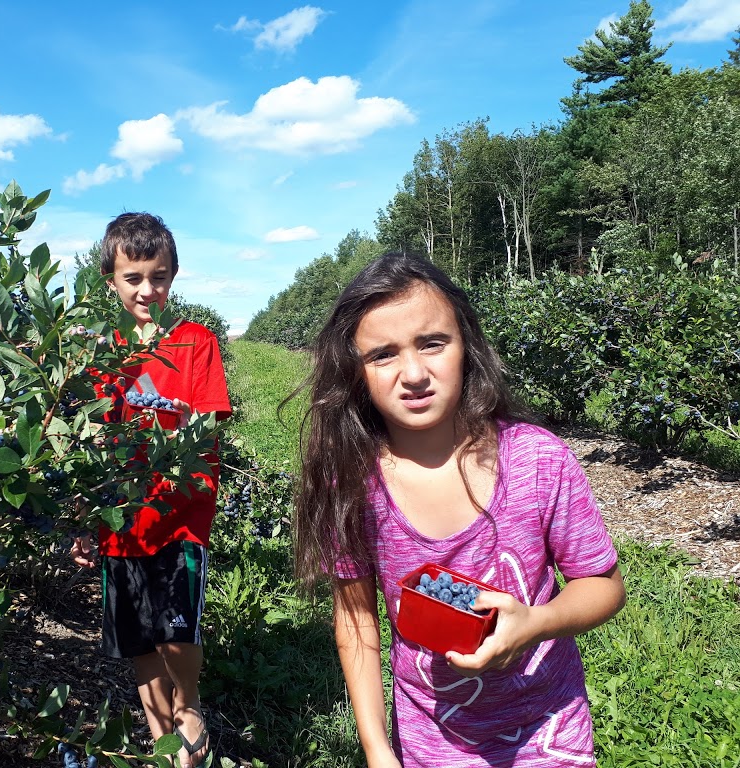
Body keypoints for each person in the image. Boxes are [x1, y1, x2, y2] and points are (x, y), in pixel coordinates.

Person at [289, 252, 626, 768]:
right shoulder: (354, 485)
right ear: (354, 372)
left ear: (466, 344)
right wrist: (378, 750)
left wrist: (538, 621)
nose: (414, 373)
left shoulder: (536, 460)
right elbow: (357, 621)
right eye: (383, 354)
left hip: (548, 729)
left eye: (432, 343)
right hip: (434, 742)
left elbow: (604, 586)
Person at [70, 212, 230, 768]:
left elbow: (212, 419)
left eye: (158, 276)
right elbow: (86, 443)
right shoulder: (103, 353)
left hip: (182, 514)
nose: (147, 289)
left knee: (175, 633)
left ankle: (188, 706)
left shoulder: (195, 343)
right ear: (111, 280)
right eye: (133, 277)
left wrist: (184, 416)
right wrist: (85, 519)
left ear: (174, 275)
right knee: (138, 641)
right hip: (121, 519)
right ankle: (164, 738)